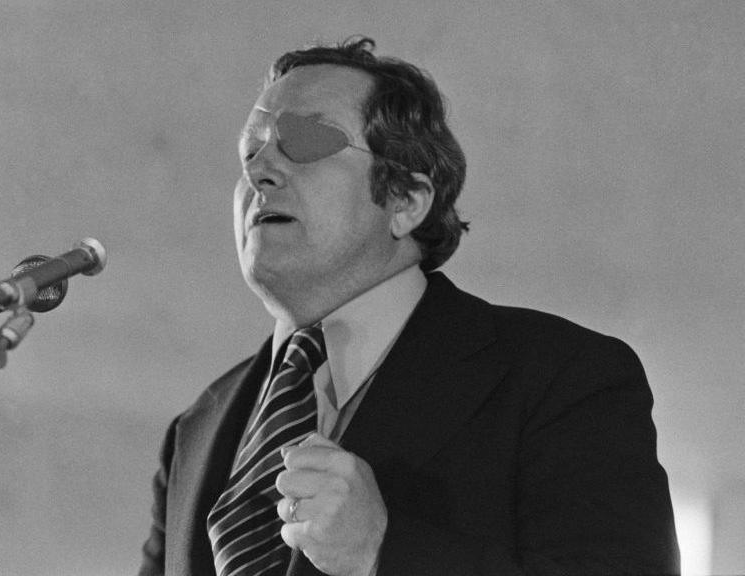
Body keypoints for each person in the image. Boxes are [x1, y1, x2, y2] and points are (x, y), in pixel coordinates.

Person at [138, 37, 680, 576]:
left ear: (406, 200)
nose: (260, 171)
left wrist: (383, 553)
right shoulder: (195, 429)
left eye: (303, 140)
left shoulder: (564, 379)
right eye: (250, 151)